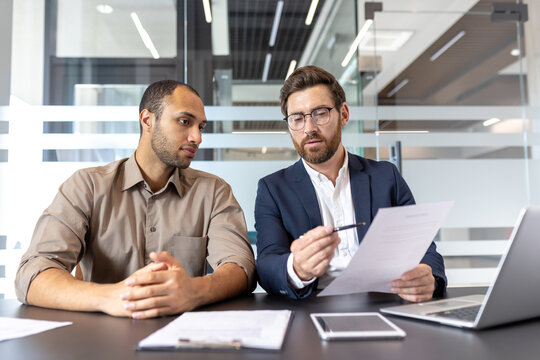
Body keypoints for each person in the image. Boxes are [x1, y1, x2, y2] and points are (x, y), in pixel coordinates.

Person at [15, 80, 255, 319]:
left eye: (200, 126)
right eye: (185, 122)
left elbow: (241, 267)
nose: (197, 137)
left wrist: (195, 290)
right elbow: (33, 273)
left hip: (181, 339)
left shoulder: (214, 192)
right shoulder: (86, 186)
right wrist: (110, 297)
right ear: (147, 120)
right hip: (99, 340)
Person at [255, 66, 446, 301]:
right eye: (297, 118)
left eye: (320, 113)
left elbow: (424, 248)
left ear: (344, 114)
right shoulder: (273, 189)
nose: (309, 128)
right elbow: (266, 264)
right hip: (312, 308)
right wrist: (297, 269)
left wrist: (429, 277)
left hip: (384, 302)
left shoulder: (386, 177)